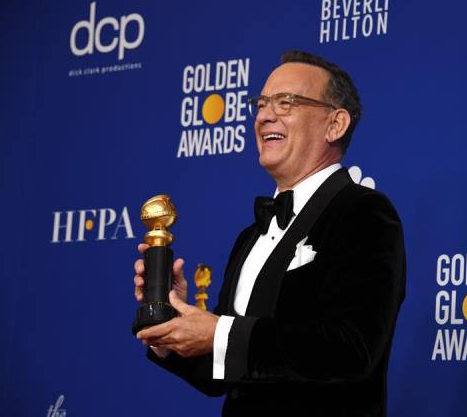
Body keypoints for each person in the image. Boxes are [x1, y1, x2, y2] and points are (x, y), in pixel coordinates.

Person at [134, 50, 406, 417]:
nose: (264, 115)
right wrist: (171, 324)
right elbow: (226, 377)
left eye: (287, 102)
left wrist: (219, 333)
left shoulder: (364, 213)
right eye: (261, 104)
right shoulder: (250, 237)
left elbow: (351, 349)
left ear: (335, 124)